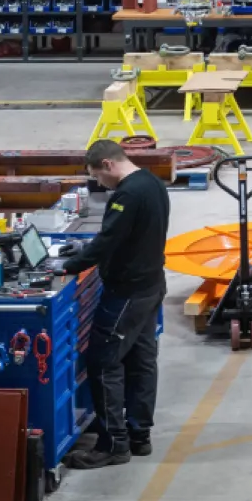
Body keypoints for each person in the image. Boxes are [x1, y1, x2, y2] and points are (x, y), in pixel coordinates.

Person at [63, 138, 171, 470]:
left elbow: (109, 240)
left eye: (97, 176)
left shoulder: (127, 194)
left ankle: (113, 445)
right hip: (151, 286)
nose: (99, 184)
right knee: (141, 361)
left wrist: (69, 266)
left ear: (108, 165)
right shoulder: (153, 182)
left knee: (103, 362)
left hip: (127, 293)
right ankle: (139, 436)